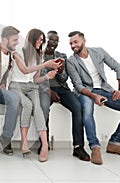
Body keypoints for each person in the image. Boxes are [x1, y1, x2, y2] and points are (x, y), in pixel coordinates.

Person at [66, 31, 120, 165]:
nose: (73, 45)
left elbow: (118, 67)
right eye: (70, 43)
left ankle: (114, 142)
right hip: (86, 92)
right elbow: (78, 85)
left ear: (83, 40)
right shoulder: (71, 61)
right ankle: (95, 147)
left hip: (104, 89)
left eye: (75, 42)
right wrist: (94, 96)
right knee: (87, 111)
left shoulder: (98, 52)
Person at [39, 30, 90, 161]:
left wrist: (61, 72)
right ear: (45, 40)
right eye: (51, 40)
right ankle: (44, 144)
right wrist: (49, 92)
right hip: (45, 89)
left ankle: (78, 147)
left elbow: (64, 79)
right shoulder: (37, 55)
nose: (53, 43)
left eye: (56, 41)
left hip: (61, 88)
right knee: (44, 108)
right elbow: (35, 79)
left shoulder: (61, 55)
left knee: (77, 107)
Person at [9, 28, 58, 162]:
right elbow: (24, 70)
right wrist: (44, 65)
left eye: (42, 40)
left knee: (38, 108)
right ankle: (23, 142)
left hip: (31, 86)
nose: (40, 42)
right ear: (31, 39)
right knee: (27, 104)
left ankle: (45, 145)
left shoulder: (39, 55)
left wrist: (47, 76)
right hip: (16, 85)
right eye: (39, 39)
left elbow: (35, 79)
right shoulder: (17, 52)